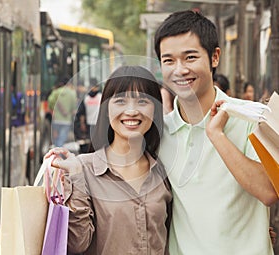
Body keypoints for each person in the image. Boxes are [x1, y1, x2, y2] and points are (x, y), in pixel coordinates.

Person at [154, 10, 277, 254]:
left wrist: (217, 136)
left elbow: (269, 191)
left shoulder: (255, 116)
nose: (179, 70)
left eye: (190, 57)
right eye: (168, 61)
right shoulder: (160, 131)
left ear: (214, 57)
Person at [45, 65, 173, 254]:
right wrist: (76, 176)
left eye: (143, 101)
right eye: (120, 101)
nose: (131, 111)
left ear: (155, 110)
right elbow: (75, 243)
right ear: (105, 109)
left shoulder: (162, 171)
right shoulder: (83, 170)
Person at [48, 77, 77, 147]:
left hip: (56, 119)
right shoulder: (72, 93)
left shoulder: (55, 92)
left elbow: (50, 102)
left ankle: (56, 151)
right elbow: (74, 107)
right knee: (61, 139)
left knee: (56, 139)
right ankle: (58, 153)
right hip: (66, 120)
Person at [77, 77, 102, 153]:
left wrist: (82, 124)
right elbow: (82, 113)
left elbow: (81, 113)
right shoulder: (100, 97)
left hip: (94, 123)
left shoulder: (88, 97)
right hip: (93, 124)